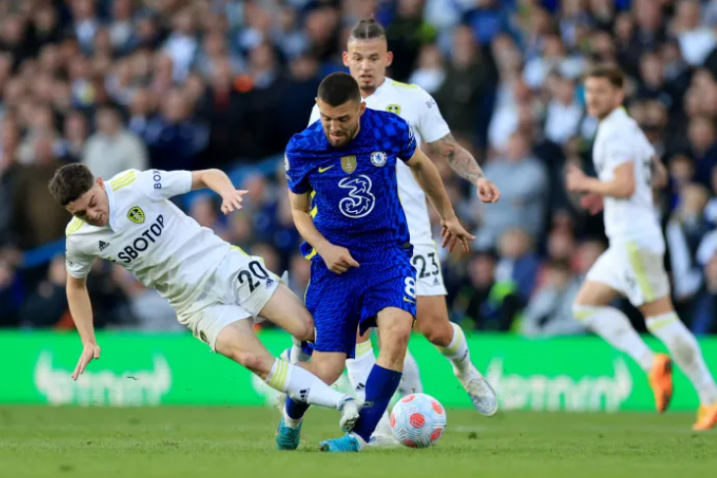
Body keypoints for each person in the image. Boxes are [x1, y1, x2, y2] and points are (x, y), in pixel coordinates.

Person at [293, 18, 500, 444]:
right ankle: (382, 421)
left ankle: (464, 368)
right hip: (350, 240)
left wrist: (476, 177)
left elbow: (444, 150)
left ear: (386, 59)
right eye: (358, 59)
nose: (365, 67)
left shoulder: (413, 99)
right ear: (346, 59)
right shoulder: (327, 107)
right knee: (361, 331)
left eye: (373, 59)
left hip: (408, 234)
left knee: (434, 328)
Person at [47, 163, 360, 435]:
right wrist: (87, 339)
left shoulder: (136, 184)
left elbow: (206, 175)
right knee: (254, 360)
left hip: (224, 266)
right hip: (194, 304)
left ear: (100, 183)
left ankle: (294, 400)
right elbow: (75, 287)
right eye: (81, 213)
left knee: (308, 328)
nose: (93, 214)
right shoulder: (78, 239)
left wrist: (226, 191)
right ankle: (346, 403)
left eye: (92, 202)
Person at [566, 65, 717, 431]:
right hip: (626, 239)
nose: (593, 98)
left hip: (634, 241)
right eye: (589, 91)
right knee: (585, 307)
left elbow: (625, 184)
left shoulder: (615, 131)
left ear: (619, 95)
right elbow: (658, 175)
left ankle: (711, 397)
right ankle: (653, 364)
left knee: (662, 321)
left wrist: (588, 182)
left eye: (601, 91)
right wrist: (609, 195)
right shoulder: (628, 128)